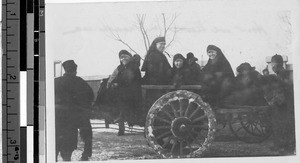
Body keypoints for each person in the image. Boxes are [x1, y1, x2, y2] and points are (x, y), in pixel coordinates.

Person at [55, 60, 94, 161]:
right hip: (76, 114)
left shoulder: (56, 81)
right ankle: (86, 153)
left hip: (58, 114)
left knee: (57, 137)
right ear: (75, 70)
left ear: (65, 70)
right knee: (86, 132)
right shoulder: (80, 81)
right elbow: (91, 96)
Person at [265, 54, 295, 154]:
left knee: (281, 126)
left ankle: (283, 148)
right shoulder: (285, 73)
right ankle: (283, 146)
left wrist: (271, 102)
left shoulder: (280, 75)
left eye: (272, 65)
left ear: (275, 65)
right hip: (289, 104)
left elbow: (279, 93)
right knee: (286, 126)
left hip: (283, 105)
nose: (272, 67)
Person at [109, 50, 143, 135]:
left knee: (124, 106)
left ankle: (123, 122)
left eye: (125, 56)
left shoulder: (134, 67)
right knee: (119, 104)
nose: (123, 59)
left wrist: (119, 82)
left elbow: (133, 79)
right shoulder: (119, 68)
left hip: (132, 92)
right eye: (121, 57)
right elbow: (113, 78)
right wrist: (112, 83)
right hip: (121, 93)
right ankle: (121, 127)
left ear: (129, 57)